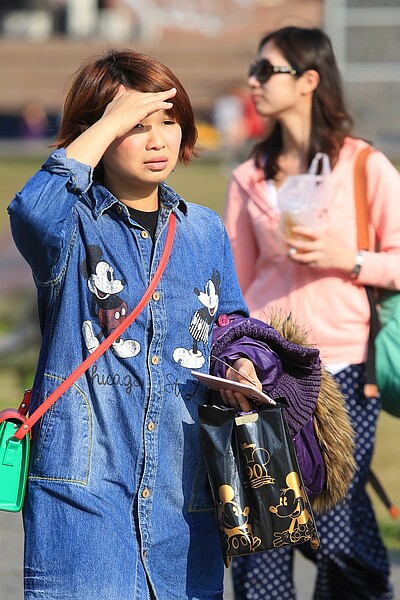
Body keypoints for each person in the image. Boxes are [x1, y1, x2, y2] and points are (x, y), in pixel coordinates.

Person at [8, 49, 328, 600]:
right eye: (137, 126)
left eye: (169, 120)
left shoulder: (202, 230)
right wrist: (110, 119)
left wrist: (245, 364)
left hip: (188, 507)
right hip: (83, 501)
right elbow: (31, 208)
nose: (158, 140)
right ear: (100, 134)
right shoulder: (70, 225)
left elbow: (231, 324)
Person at [223, 26, 400, 600]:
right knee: (266, 521)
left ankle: (361, 587)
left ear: (308, 80)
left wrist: (347, 258)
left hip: (345, 365)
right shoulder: (249, 176)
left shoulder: (363, 166)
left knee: (335, 518)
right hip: (267, 368)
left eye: (266, 70)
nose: (253, 81)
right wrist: (238, 354)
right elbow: (233, 284)